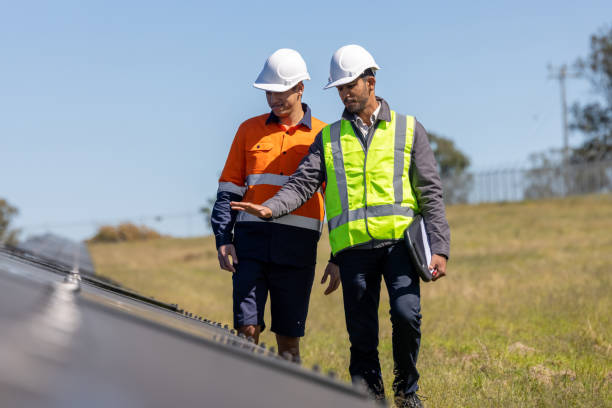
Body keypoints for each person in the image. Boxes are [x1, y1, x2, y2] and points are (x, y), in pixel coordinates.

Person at [231, 44, 450, 407]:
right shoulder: (328, 138)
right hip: (353, 251)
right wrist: (270, 209)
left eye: (351, 85)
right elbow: (302, 184)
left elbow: (430, 192)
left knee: (407, 315)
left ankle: (406, 391)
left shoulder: (410, 130)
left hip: (400, 246)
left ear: (371, 81)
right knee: (361, 333)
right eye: (340, 88)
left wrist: (439, 246)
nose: (346, 93)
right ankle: (368, 397)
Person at [211, 48, 340, 362]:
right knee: (246, 332)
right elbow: (228, 191)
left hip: (297, 251)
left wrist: (339, 256)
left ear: (300, 89)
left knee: (289, 345)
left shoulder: (324, 136)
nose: (273, 100)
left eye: (281, 93)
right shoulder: (247, 130)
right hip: (249, 246)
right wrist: (223, 239)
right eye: (269, 93)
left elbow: (337, 202)